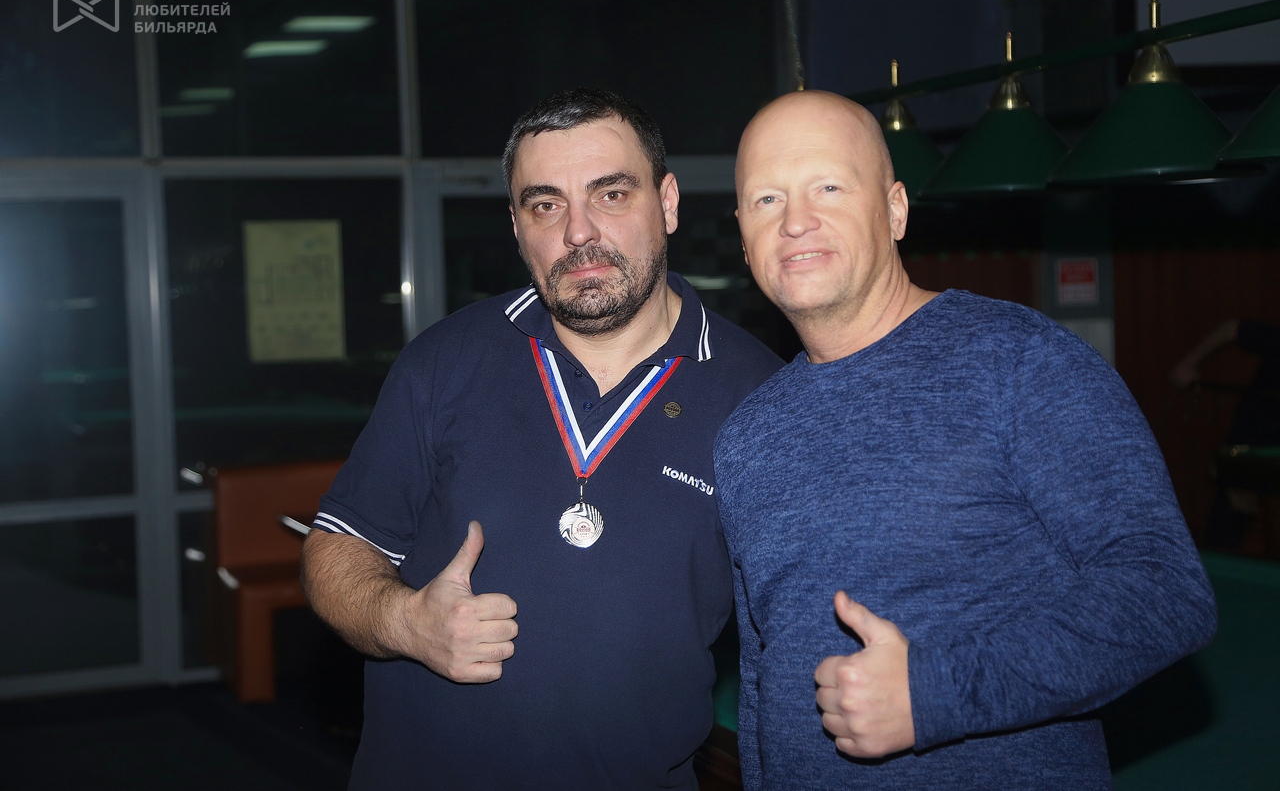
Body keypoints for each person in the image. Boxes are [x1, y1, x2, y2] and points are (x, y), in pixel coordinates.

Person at [713, 90, 1217, 790]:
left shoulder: (1019, 359)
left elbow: (1166, 593)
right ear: (743, 237)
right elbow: (764, 678)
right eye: (767, 199)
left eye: (828, 186)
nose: (796, 220)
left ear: (895, 210)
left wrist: (933, 693)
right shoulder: (746, 435)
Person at [301, 87, 781, 790]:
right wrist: (406, 622)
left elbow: (797, 628)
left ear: (668, 202)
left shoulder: (761, 395)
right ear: (517, 225)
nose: (578, 231)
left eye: (611, 194)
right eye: (546, 204)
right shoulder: (445, 359)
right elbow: (335, 550)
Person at [1171, 318, 1280, 547]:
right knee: (1226, 529)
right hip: (1248, 449)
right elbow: (1231, 329)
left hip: (1268, 450)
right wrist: (1188, 364)